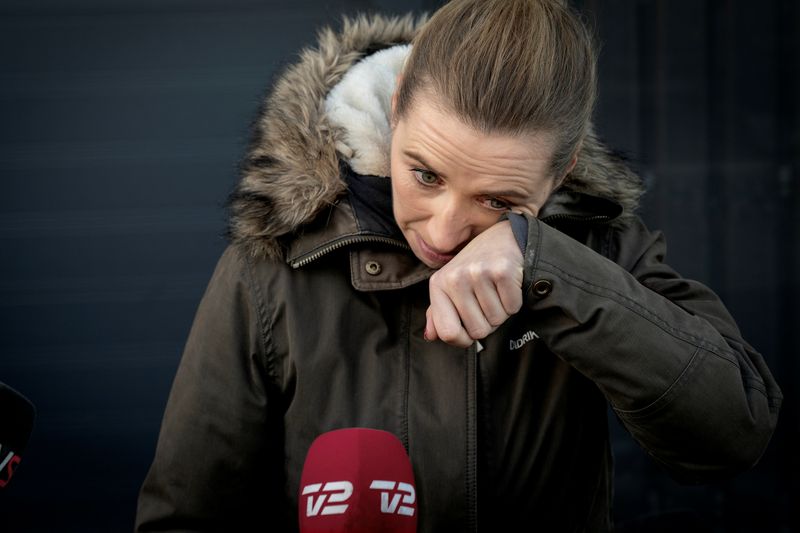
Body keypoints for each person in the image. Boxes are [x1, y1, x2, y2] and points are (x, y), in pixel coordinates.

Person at [135, 1, 782, 531]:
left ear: (562, 173)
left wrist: (546, 263)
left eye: (497, 200)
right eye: (425, 173)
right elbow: (183, 518)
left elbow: (733, 432)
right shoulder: (276, 263)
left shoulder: (601, 248)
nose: (443, 230)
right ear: (394, 114)